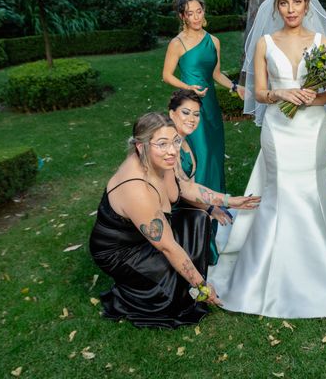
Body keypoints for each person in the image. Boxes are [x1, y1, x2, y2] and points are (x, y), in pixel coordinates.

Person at [208, 0, 326, 318]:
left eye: (297, 2)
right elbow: (259, 93)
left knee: (310, 188)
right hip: (277, 126)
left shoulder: (323, 41)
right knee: (281, 189)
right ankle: (269, 267)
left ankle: (322, 261)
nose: (291, 9)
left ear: (307, 5)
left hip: (312, 127)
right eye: (284, 3)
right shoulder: (264, 42)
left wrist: (311, 97)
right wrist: (281, 94)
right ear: (277, 7)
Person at [89, 112, 259, 329]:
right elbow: (168, 247)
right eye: (162, 144)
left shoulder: (164, 158)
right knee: (176, 293)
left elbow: (182, 190)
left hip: (147, 236)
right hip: (120, 251)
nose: (172, 150)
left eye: (175, 141)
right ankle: (131, 294)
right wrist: (202, 287)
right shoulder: (136, 188)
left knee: (197, 218)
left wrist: (230, 201)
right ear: (141, 147)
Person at [163, 0, 244, 264]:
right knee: (201, 158)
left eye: (199, 11)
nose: (196, 17)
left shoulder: (214, 42)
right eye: (190, 13)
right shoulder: (178, 43)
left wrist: (234, 86)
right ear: (182, 16)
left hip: (210, 110)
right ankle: (199, 223)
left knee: (214, 158)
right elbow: (166, 75)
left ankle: (216, 211)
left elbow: (217, 74)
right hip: (190, 108)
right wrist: (188, 87)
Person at [167, 88, 232, 227]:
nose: (191, 119)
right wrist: (228, 201)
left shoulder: (187, 142)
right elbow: (183, 189)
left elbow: (188, 187)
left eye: (196, 114)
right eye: (185, 112)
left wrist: (209, 208)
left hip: (183, 207)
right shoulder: (167, 146)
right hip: (166, 215)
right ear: (172, 114)